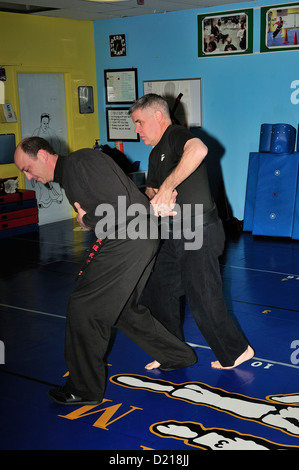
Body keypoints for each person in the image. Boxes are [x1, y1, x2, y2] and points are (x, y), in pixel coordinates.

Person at [14, 137, 196, 405]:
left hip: (129, 238)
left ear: (42, 155)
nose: (29, 178)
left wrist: (86, 219)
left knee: (84, 306)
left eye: (27, 169)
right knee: (121, 309)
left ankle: (84, 389)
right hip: (133, 237)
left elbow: (121, 206)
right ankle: (177, 355)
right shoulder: (72, 174)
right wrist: (90, 220)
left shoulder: (81, 162)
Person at [129, 93, 254, 370]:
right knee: (159, 290)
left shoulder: (175, 136)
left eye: (139, 122)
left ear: (158, 117)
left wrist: (165, 188)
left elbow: (199, 151)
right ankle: (171, 353)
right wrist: (151, 195)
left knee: (203, 297)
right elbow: (152, 189)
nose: (136, 130)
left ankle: (236, 351)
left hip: (199, 230)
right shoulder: (154, 153)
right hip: (173, 232)